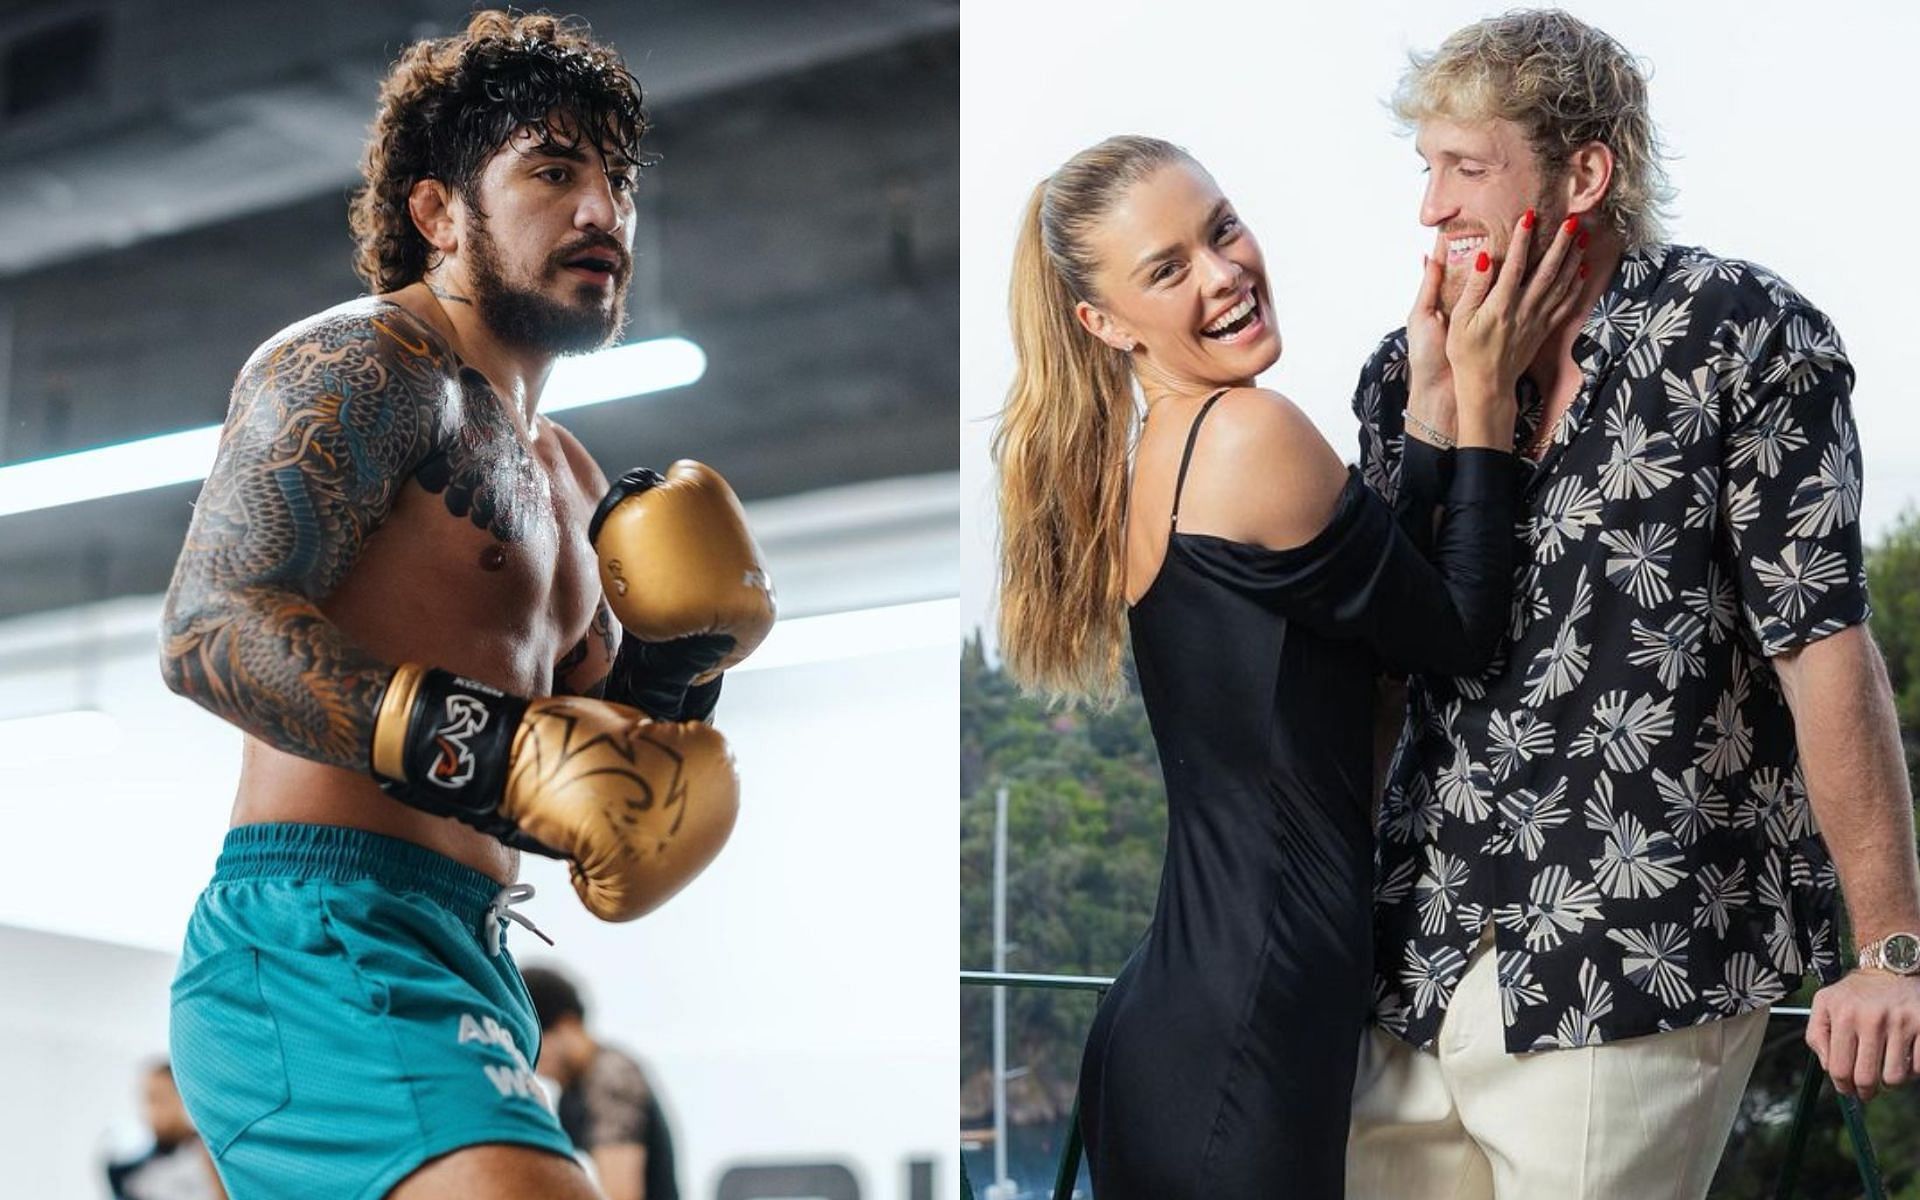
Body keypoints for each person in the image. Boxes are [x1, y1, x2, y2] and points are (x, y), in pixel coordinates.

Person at [156, 12, 774, 1199]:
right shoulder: (359, 364)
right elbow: (207, 628)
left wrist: (674, 678)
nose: (603, 212)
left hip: (472, 947)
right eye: (554, 171)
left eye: (616, 181)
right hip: (319, 930)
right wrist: (490, 750)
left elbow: (577, 788)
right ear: (440, 213)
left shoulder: (578, 477)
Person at [1345, 11, 1920, 1198]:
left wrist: (1893, 953)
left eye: (1466, 169)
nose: (1432, 210)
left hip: (1639, 944)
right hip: (1415, 946)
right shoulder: (1408, 371)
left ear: (1585, 173)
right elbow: (1378, 666)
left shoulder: (1740, 337)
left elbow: (1826, 651)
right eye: (1426, 171)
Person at [991, 135, 1583, 1198]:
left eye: (1221, 229)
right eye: (1167, 269)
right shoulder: (1247, 431)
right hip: (1246, 1027)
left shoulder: (1163, 457)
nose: (1222, 274)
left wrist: (1431, 408)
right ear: (1104, 322)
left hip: (1182, 1012)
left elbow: (1374, 606)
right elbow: (1452, 633)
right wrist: (1486, 398)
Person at [521, 965, 680, 1200]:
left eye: (536, 1044)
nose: (533, 1063)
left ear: (567, 1026)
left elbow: (621, 1194)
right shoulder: (573, 1091)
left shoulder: (611, 1077)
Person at [105, 1061, 227, 1200]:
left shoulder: (212, 1154)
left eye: (160, 1099)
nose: (152, 1111)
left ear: (181, 1099)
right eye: (148, 1100)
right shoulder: (129, 1171)